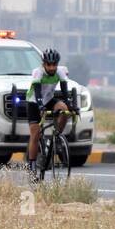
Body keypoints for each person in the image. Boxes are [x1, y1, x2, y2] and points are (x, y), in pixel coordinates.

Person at [26, 48, 73, 177]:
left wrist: (70, 105)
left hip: (49, 99)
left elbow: (64, 92)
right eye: (49, 65)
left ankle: (57, 136)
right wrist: (40, 106)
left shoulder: (60, 72)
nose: (52, 68)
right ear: (44, 64)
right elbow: (37, 92)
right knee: (35, 134)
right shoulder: (38, 72)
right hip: (34, 102)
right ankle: (32, 165)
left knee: (64, 109)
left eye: (54, 65)